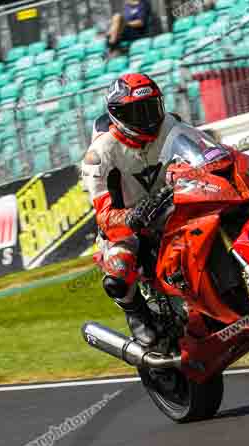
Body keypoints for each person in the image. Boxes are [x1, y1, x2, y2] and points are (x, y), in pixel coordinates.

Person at [81, 73, 178, 347]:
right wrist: (132, 217)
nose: (146, 118)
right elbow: (103, 215)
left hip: (172, 204)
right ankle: (137, 314)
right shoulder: (99, 155)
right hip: (126, 226)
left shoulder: (171, 124)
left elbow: (201, 147)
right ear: (118, 115)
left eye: (150, 108)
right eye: (137, 112)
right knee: (118, 270)